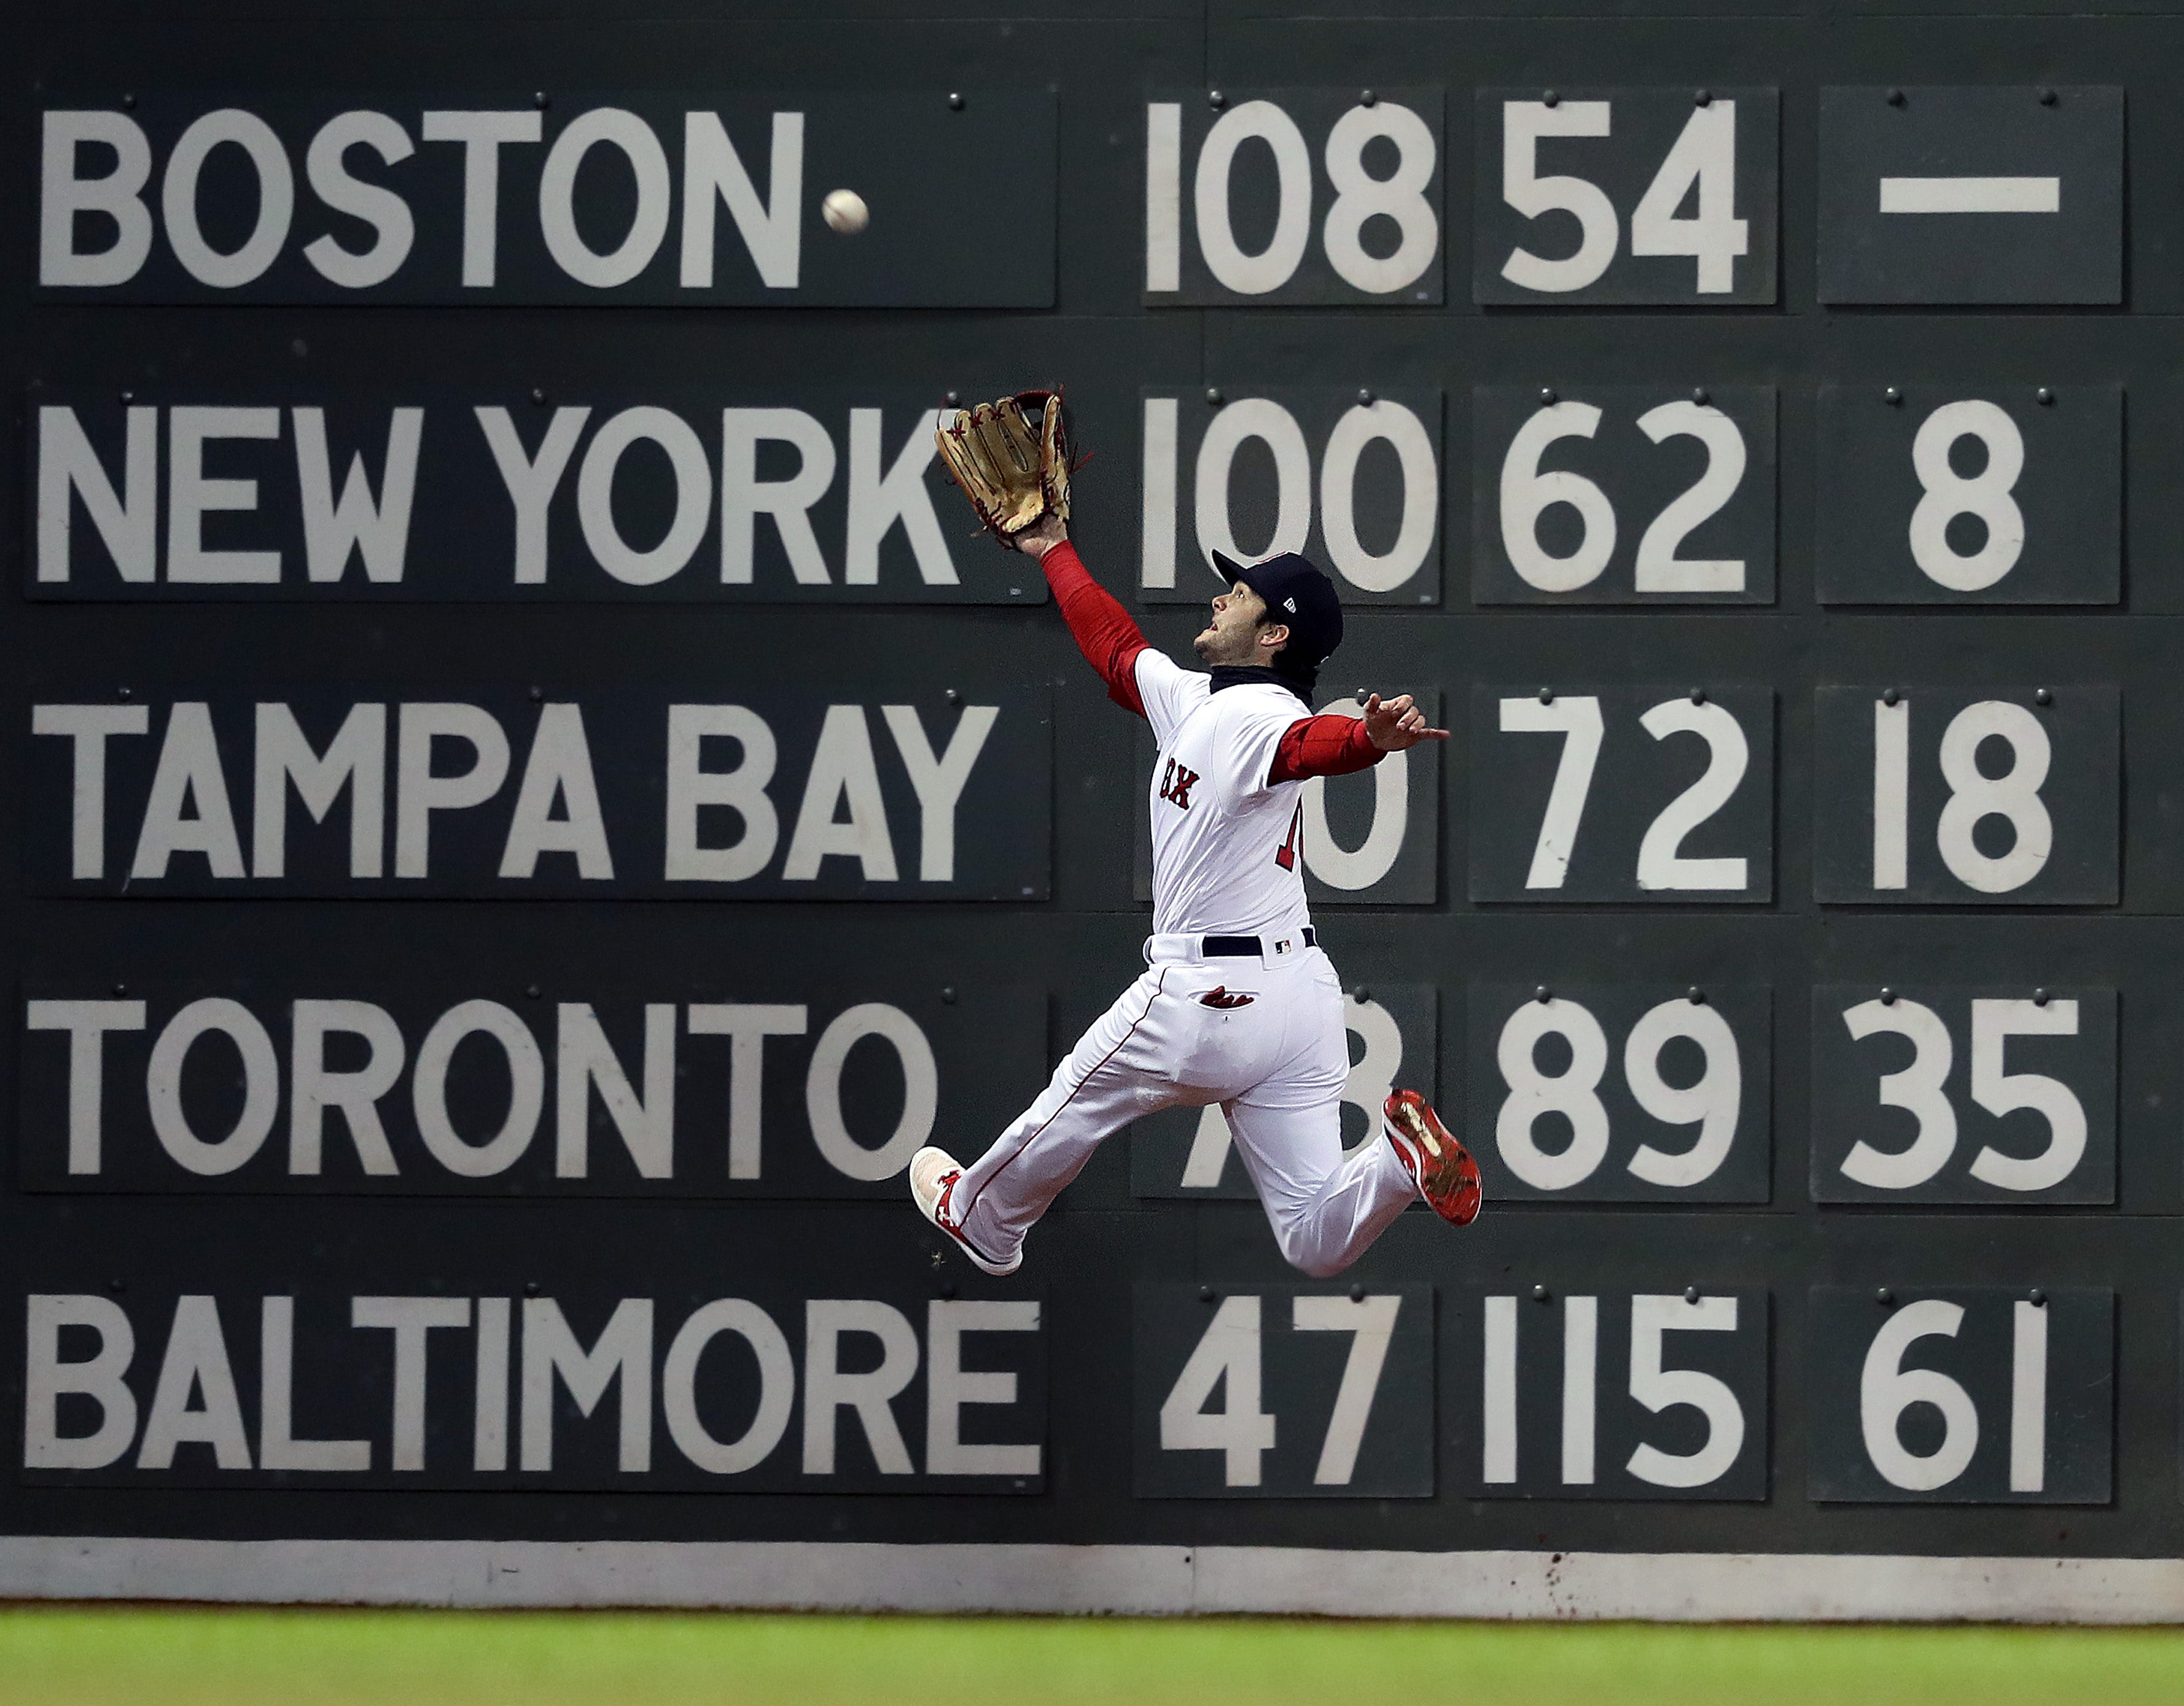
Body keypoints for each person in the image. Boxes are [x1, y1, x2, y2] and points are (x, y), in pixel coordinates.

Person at [910, 508, 1480, 1277]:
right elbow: (1114, 650)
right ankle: (1396, 1165)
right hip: (1299, 1003)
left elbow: (1301, 748)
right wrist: (1052, 550)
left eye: (1238, 595)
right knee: (1313, 1237)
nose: (1218, 600)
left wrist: (1365, 741)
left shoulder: (1257, 715)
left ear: (1275, 634)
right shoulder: (1205, 701)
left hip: (1208, 996)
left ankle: (981, 1217)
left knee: (1071, 1102)